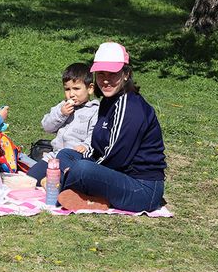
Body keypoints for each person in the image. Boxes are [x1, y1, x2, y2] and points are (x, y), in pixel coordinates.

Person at [53, 42, 167, 212]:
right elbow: (99, 147)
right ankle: (90, 197)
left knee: (82, 169)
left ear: (126, 74)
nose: (105, 80)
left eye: (112, 74)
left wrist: (78, 170)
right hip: (117, 174)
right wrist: (82, 158)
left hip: (142, 189)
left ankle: (66, 185)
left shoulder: (130, 107)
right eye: (100, 74)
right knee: (65, 154)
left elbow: (115, 157)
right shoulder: (108, 101)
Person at [26, 63, 99, 181]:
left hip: (74, 159)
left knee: (58, 183)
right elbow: (47, 126)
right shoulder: (62, 106)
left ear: (90, 88)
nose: (71, 94)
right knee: (31, 178)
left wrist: (85, 146)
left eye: (76, 89)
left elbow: (95, 135)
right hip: (54, 157)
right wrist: (61, 114)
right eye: (67, 89)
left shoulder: (94, 110)